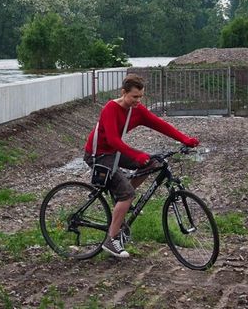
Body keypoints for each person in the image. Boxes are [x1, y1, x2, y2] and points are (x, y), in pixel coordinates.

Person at [84, 73, 199, 258]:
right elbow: (113, 140)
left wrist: (185, 139)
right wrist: (136, 155)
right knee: (128, 193)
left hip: (114, 152)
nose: (138, 100)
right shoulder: (110, 109)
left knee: (153, 163)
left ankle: (121, 198)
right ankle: (111, 240)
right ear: (123, 92)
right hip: (98, 154)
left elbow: (160, 125)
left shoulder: (137, 110)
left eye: (141, 96)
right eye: (134, 97)